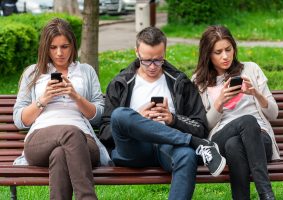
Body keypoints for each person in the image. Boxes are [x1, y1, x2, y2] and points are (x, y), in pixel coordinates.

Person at [98, 26, 226, 200]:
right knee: (121, 115)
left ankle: (190, 144)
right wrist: (137, 118)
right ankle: (194, 143)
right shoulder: (121, 82)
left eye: (158, 60)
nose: (152, 66)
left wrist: (173, 119)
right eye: (147, 60)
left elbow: (200, 126)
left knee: (187, 156)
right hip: (134, 148)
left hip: (168, 146)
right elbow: (105, 130)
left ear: (165, 52)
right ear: (137, 52)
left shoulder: (180, 82)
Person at [13, 18, 111, 200]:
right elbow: (20, 119)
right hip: (40, 140)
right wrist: (43, 99)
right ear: (45, 48)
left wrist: (76, 96)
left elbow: (98, 115)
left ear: (73, 46)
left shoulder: (86, 71)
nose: (59, 53)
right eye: (53, 47)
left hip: (85, 142)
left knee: (60, 154)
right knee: (70, 133)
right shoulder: (33, 73)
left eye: (65, 46)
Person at [193, 25, 279, 200]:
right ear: (207, 54)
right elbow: (204, 126)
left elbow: (273, 114)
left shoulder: (251, 69)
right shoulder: (199, 81)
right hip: (220, 139)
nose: (225, 56)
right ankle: (267, 194)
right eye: (218, 52)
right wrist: (219, 102)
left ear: (234, 48)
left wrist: (256, 94)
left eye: (228, 49)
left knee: (235, 145)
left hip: (260, 139)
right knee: (246, 121)